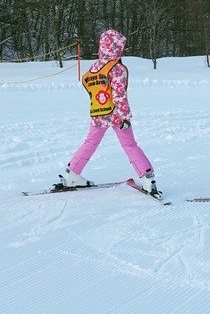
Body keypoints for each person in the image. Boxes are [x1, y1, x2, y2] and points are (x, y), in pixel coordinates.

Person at [61, 28, 159, 196]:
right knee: (129, 144)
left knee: (89, 143)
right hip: (116, 115)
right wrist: (125, 116)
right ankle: (147, 178)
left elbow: (88, 84)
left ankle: (72, 174)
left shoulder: (95, 67)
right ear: (117, 47)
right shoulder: (117, 68)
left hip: (98, 112)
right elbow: (119, 94)